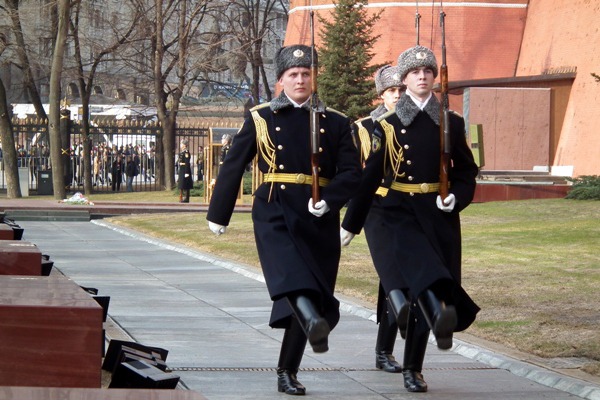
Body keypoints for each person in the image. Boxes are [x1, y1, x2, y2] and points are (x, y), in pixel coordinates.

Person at [206, 44, 361, 396]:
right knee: (294, 280)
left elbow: (353, 173)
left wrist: (332, 200)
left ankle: (287, 371)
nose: (301, 79)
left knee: (313, 289)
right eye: (293, 74)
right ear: (280, 81)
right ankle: (313, 322)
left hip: (318, 214)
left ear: (314, 78)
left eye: (307, 73)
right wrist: (219, 213)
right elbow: (234, 164)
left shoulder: (334, 121)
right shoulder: (261, 117)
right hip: (275, 210)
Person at [340, 45, 480, 393]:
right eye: (415, 72)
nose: (422, 76)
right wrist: (351, 223)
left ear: (434, 77)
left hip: (439, 214)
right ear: (404, 80)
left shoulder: (451, 122)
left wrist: (456, 197)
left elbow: (466, 171)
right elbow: (371, 176)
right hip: (399, 213)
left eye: (428, 71)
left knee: (437, 283)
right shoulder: (386, 125)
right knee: (423, 283)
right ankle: (413, 367)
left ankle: (421, 352)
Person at [352, 65, 407, 374]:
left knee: (397, 279)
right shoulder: (364, 128)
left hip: (408, 208)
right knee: (391, 273)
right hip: (376, 209)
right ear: (381, 95)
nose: (396, 96)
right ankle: (384, 351)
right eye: (391, 92)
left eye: (400, 90)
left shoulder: (416, 124)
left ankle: (384, 351)